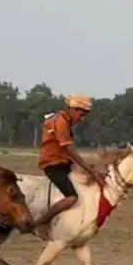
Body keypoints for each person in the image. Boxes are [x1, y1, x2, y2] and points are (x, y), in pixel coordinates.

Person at [32, 94, 103, 239]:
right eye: (80, 112)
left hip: (63, 161)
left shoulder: (64, 120)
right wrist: (90, 171)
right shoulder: (62, 122)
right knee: (72, 197)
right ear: (71, 108)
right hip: (53, 164)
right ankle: (42, 221)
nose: (81, 117)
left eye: (84, 114)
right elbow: (70, 150)